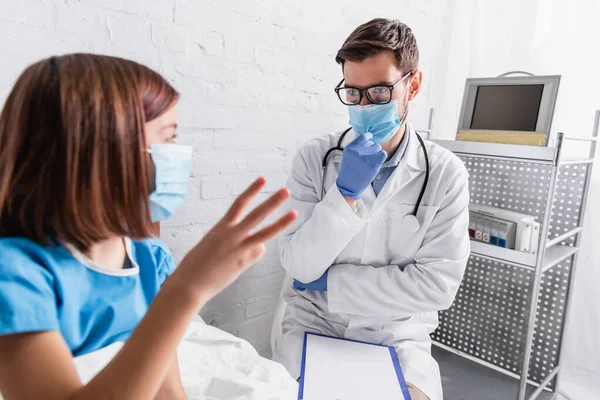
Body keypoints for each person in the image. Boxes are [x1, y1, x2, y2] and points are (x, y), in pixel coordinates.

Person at [0, 54, 297, 400]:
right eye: (167, 138)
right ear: (100, 152)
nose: (179, 153)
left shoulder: (148, 256)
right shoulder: (16, 274)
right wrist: (187, 290)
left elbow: (167, 388)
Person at [272, 18, 470, 400]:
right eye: (352, 92)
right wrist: (345, 192)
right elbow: (298, 267)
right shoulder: (315, 158)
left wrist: (331, 282)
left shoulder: (446, 174)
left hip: (397, 335)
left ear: (412, 85)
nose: (363, 106)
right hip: (317, 324)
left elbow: (437, 286)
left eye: (379, 92)